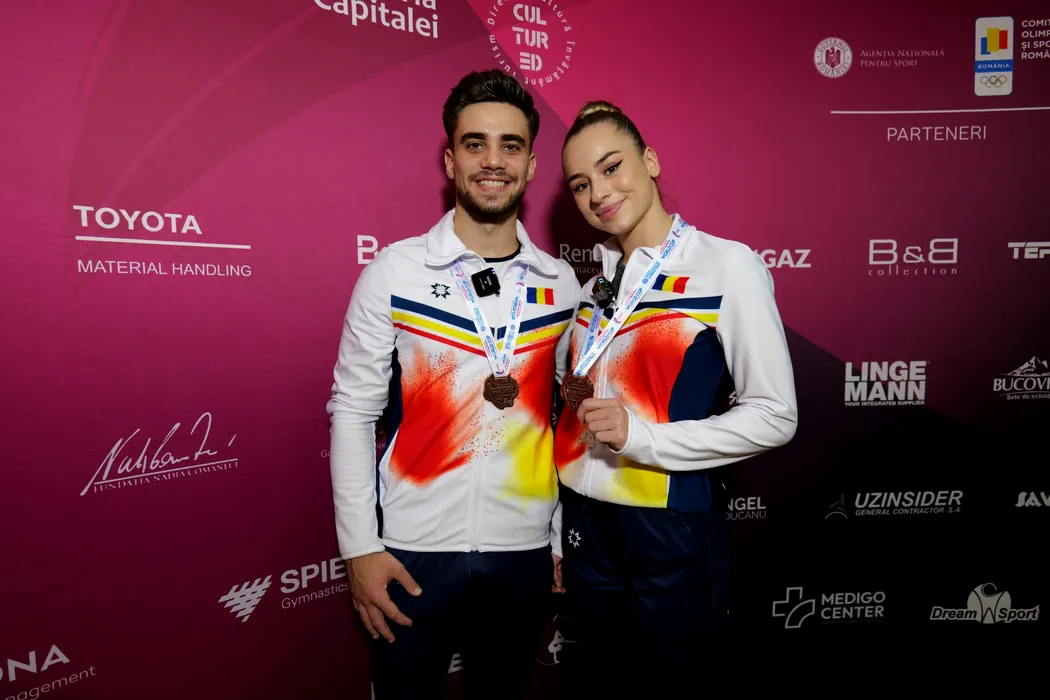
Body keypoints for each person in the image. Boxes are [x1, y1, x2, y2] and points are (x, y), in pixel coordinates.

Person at [325, 70, 578, 700]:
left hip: (522, 554)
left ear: (530, 164)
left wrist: (555, 535)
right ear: (450, 160)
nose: (493, 161)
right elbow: (352, 411)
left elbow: (568, 416)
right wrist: (359, 548)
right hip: (409, 553)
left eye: (510, 145)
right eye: (475, 143)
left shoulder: (561, 285)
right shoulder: (395, 271)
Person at [553, 101, 798, 693]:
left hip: (671, 528)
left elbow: (775, 415)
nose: (599, 193)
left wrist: (642, 437)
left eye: (612, 167)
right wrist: (561, 526)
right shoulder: (592, 290)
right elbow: (573, 421)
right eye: (581, 184)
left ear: (651, 160)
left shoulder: (726, 266)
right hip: (588, 533)